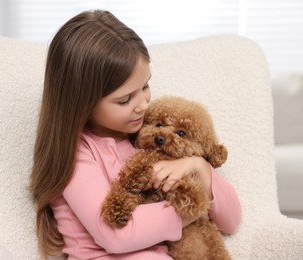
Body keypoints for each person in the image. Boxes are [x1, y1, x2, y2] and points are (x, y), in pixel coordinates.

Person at [30, 9, 241, 260]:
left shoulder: (151, 138)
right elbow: (116, 235)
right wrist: (192, 210)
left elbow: (232, 220)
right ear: (82, 102)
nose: (142, 104)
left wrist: (199, 168)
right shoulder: (76, 154)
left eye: (145, 86)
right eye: (125, 99)